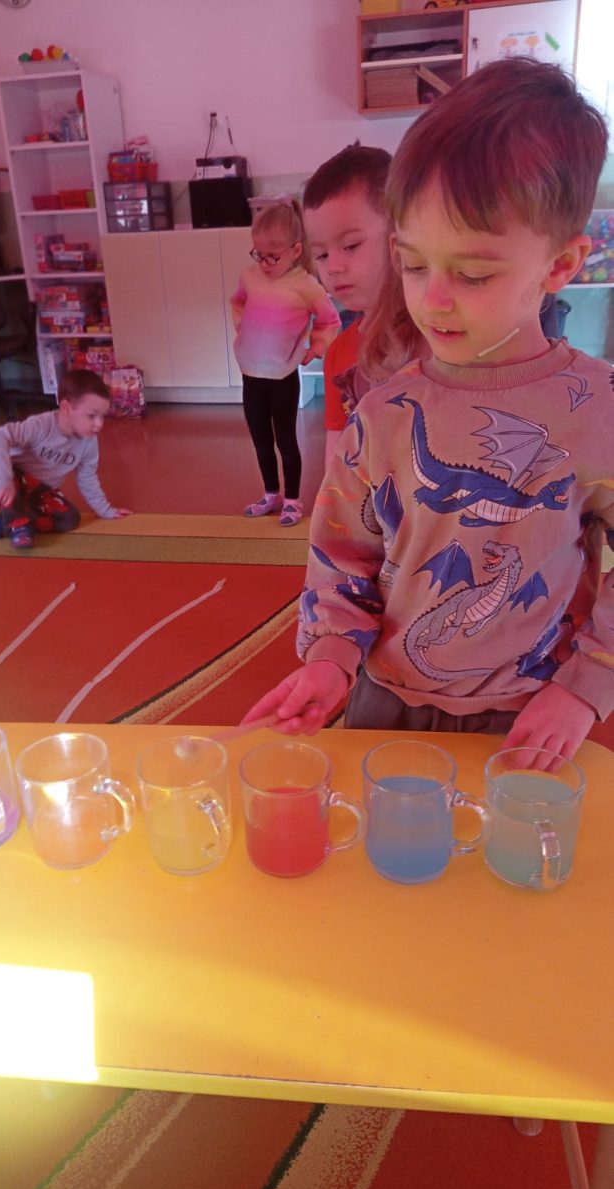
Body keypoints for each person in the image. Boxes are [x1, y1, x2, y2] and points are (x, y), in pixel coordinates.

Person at [243, 57, 613, 761]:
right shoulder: (382, 410)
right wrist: (329, 657)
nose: (433, 300)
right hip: (384, 696)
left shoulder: (600, 407)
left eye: (472, 273)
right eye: (413, 265)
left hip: (530, 706)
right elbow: (342, 554)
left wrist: (588, 683)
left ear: (561, 265)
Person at [302, 143, 422, 469]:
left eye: (351, 245)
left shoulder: (438, 335)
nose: (333, 267)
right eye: (321, 255)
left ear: (399, 235)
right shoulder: (339, 354)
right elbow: (336, 449)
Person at [230, 197, 340, 527]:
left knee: (285, 440)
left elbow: (330, 320)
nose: (264, 263)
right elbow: (238, 303)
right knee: (261, 440)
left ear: (295, 251)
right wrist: (243, 332)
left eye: (272, 256)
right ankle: (271, 494)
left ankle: (292, 499)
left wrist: (315, 348)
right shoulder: (250, 277)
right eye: (258, 254)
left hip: (282, 376)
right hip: (251, 373)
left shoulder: (307, 286)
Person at [0, 368, 132, 550]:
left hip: (38, 491)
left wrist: (105, 510)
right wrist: (4, 480)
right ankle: (19, 526)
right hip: (8, 482)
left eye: (102, 416)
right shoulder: (41, 425)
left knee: (70, 519)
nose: (99, 424)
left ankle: (4, 524)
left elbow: (88, 477)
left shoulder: (89, 442)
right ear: (66, 408)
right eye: (92, 416)